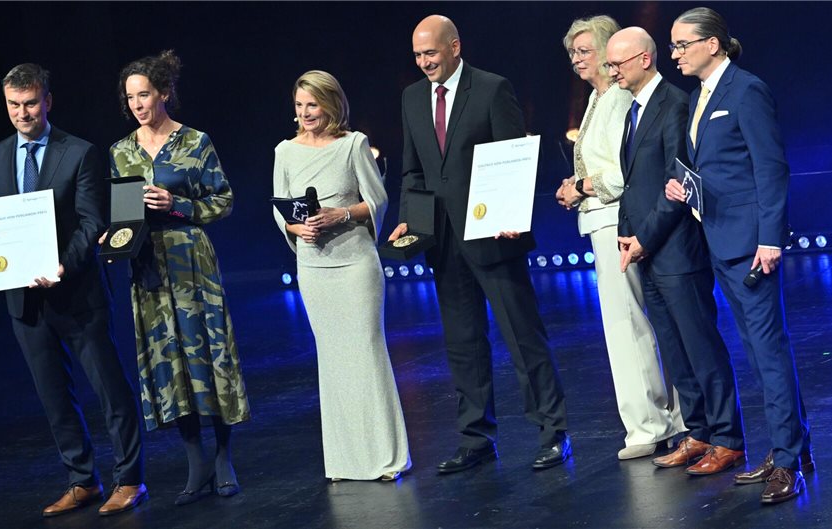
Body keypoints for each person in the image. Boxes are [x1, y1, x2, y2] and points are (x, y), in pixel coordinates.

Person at [389, 15, 570, 472]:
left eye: (430, 52)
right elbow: (413, 171)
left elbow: (514, 157)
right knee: (463, 343)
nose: (424, 62)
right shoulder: (412, 98)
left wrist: (511, 213)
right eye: (417, 55)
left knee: (522, 336)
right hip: (443, 242)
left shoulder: (491, 88)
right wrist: (409, 219)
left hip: (492, 234)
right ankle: (475, 437)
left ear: (454, 47)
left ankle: (553, 432)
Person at [0, 63, 146, 517]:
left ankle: (129, 479)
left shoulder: (79, 152)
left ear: (47, 101)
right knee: (54, 397)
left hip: (76, 293)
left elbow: (92, 222)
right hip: (25, 299)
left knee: (110, 389)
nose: (22, 113)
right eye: (14, 105)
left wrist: (61, 267)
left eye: (31, 103)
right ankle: (82, 480)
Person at [665, 7, 813, 504]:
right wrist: (687, 187)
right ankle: (794, 447)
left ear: (713, 44)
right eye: (673, 46)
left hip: (751, 243)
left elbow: (771, 168)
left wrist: (771, 238)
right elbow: (717, 166)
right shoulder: (697, 97)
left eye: (682, 44)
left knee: (769, 352)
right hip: (719, 239)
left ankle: (788, 461)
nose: (676, 54)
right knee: (759, 351)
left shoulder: (745, 90)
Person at [108, 50, 250, 506]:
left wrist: (179, 206)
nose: (137, 104)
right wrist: (114, 240)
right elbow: (120, 214)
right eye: (130, 97)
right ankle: (195, 458)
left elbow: (223, 199)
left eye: (144, 94)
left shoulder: (195, 142)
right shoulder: (121, 152)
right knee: (167, 362)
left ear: (164, 93)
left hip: (191, 261)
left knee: (208, 354)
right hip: (147, 267)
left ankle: (224, 454)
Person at [608, 26, 747, 478]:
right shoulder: (632, 111)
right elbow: (635, 184)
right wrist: (629, 236)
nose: (612, 73)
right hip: (648, 250)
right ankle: (700, 432)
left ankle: (728, 438)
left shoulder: (675, 104)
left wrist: (644, 237)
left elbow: (676, 181)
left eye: (618, 64)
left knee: (701, 346)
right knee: (676, 350)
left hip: (677, 249)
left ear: (645, 59)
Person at [272, 70, 411, 481]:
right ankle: (345, 462)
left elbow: (378, 199)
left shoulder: (353, 145)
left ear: (330, 104)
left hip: (355, 266)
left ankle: (387, 458)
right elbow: (279, 208)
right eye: (299, 106)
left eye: (312, 104)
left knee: (366, 353)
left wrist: (342, 214)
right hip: (313, 267)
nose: (304, 113)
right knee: (332, 360)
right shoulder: (285, 150)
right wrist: (296, 228)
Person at [556, 15, 684, 461]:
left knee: (629, 323)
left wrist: (583, 186)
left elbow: (620, 173)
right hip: (603, 221)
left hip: (616, 221)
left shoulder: (616, 102)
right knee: (635, 320)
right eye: (573, 52)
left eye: (585, 51)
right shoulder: (597, 100)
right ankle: (666, 417)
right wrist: (576, 185)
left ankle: (649, 423)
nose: (577, 59)